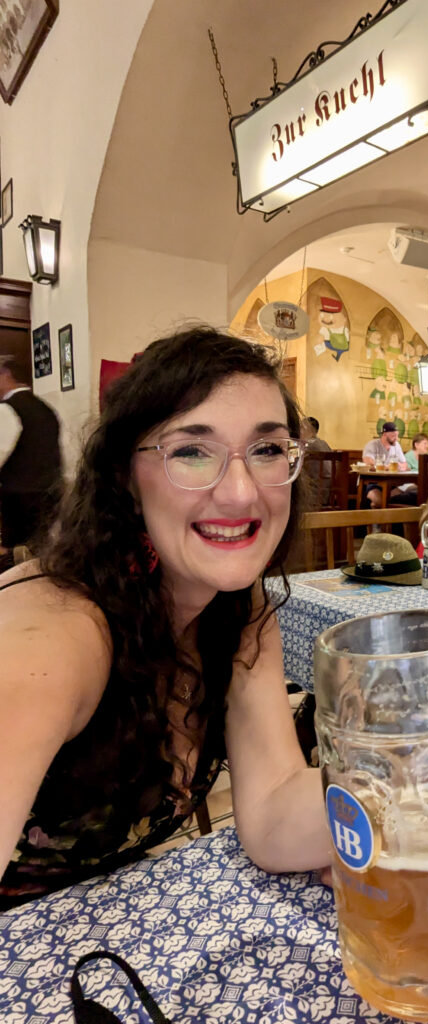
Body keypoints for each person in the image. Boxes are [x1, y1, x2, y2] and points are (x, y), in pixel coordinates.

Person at [0, 326, 331, 909]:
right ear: (126, 477)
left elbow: (276, 810)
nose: (239, 493)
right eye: (191, 451)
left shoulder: (238, 608)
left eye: (268, 449)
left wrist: (426, 778)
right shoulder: (56, 638)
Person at [0, 354, 63, 567]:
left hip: (18, 494)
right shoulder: (46, 409)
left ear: (6, 375)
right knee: (41, 549)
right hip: (50, 490)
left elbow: (0, 451)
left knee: (14, 553)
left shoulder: (7, 408)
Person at [362, 421, 408, 509]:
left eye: (397, 435)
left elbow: (404, 464)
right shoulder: (372, 444)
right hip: (373, 482)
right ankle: (384, 519)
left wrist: (400, 466)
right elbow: (368, 462)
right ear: (384, 434)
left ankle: (380, 519)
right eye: (393, 436)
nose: (396, 438)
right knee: (379, 501)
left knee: (410, 491)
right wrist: (388, 467)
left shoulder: (397, 446)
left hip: (393, 484)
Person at [300, 416, 332, 507]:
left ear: (308, 429)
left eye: (301, 427)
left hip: (312, 493)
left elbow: (294, 465)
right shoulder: (324, 444)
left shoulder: (307, 445)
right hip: (328, 492)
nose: (299, 430)